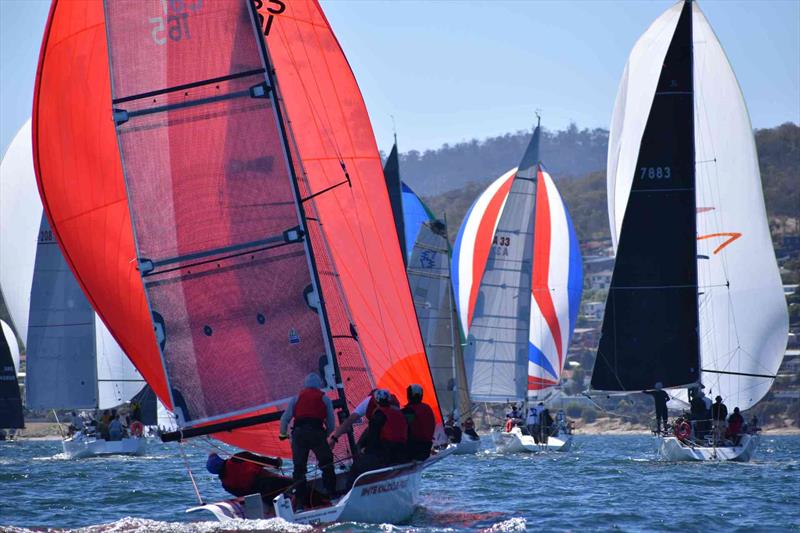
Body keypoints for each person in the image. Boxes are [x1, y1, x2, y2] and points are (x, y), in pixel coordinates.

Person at [279, 373, 337, 500]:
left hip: (299, 434)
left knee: (299, 469)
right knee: (326, 464)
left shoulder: (296, 398)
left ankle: (300, 502)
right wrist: (326, 436)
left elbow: (285, 419)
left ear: (305, 385)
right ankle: (332, 494)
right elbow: (332, 423)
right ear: (319, 385)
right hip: (317, 432)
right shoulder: (325, 398)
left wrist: (282, 434)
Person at [347, 389, 407, 486]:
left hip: (386, 455)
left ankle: (348, 493)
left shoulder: (378, 415)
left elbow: (372, 439)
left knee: (357, 466)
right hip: (401, 454)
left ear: (376, 400)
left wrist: (365, 452)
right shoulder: (400, 413)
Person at [206, 452, 289, 498]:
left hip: (262, 496)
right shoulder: (237, 458)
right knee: (298, 484)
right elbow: (260, 460)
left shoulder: (226, 485)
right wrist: (276, 463)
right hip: (272, 483)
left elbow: (243, 495)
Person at [401, 384, 436, 461]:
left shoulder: (408, 411)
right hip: (426, 449)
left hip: (413, 451)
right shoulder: (427, 408)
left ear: (409, 396)